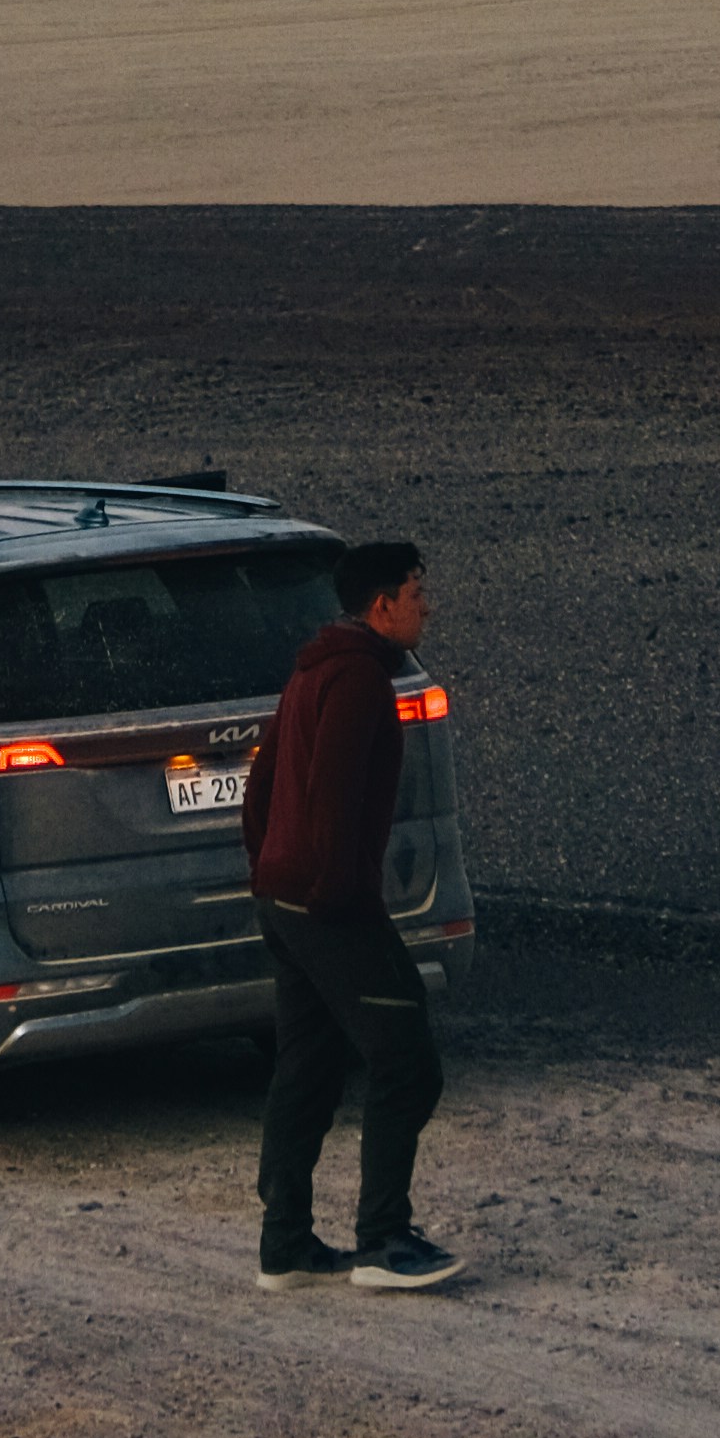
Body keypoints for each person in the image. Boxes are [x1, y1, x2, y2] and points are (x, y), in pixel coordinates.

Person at [242, 538, 463, 1290]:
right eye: (414, 592)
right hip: (326, 904)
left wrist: (268, 871)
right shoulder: (361, 680)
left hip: (285, 898)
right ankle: (384, 1240)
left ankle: (287, 1246)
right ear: (381, 605)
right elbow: (331, 791)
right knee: (407, 1060)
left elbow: (261, 783)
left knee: (307, 1065)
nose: (425, 606)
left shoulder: (312, 670)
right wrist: (338, 895)